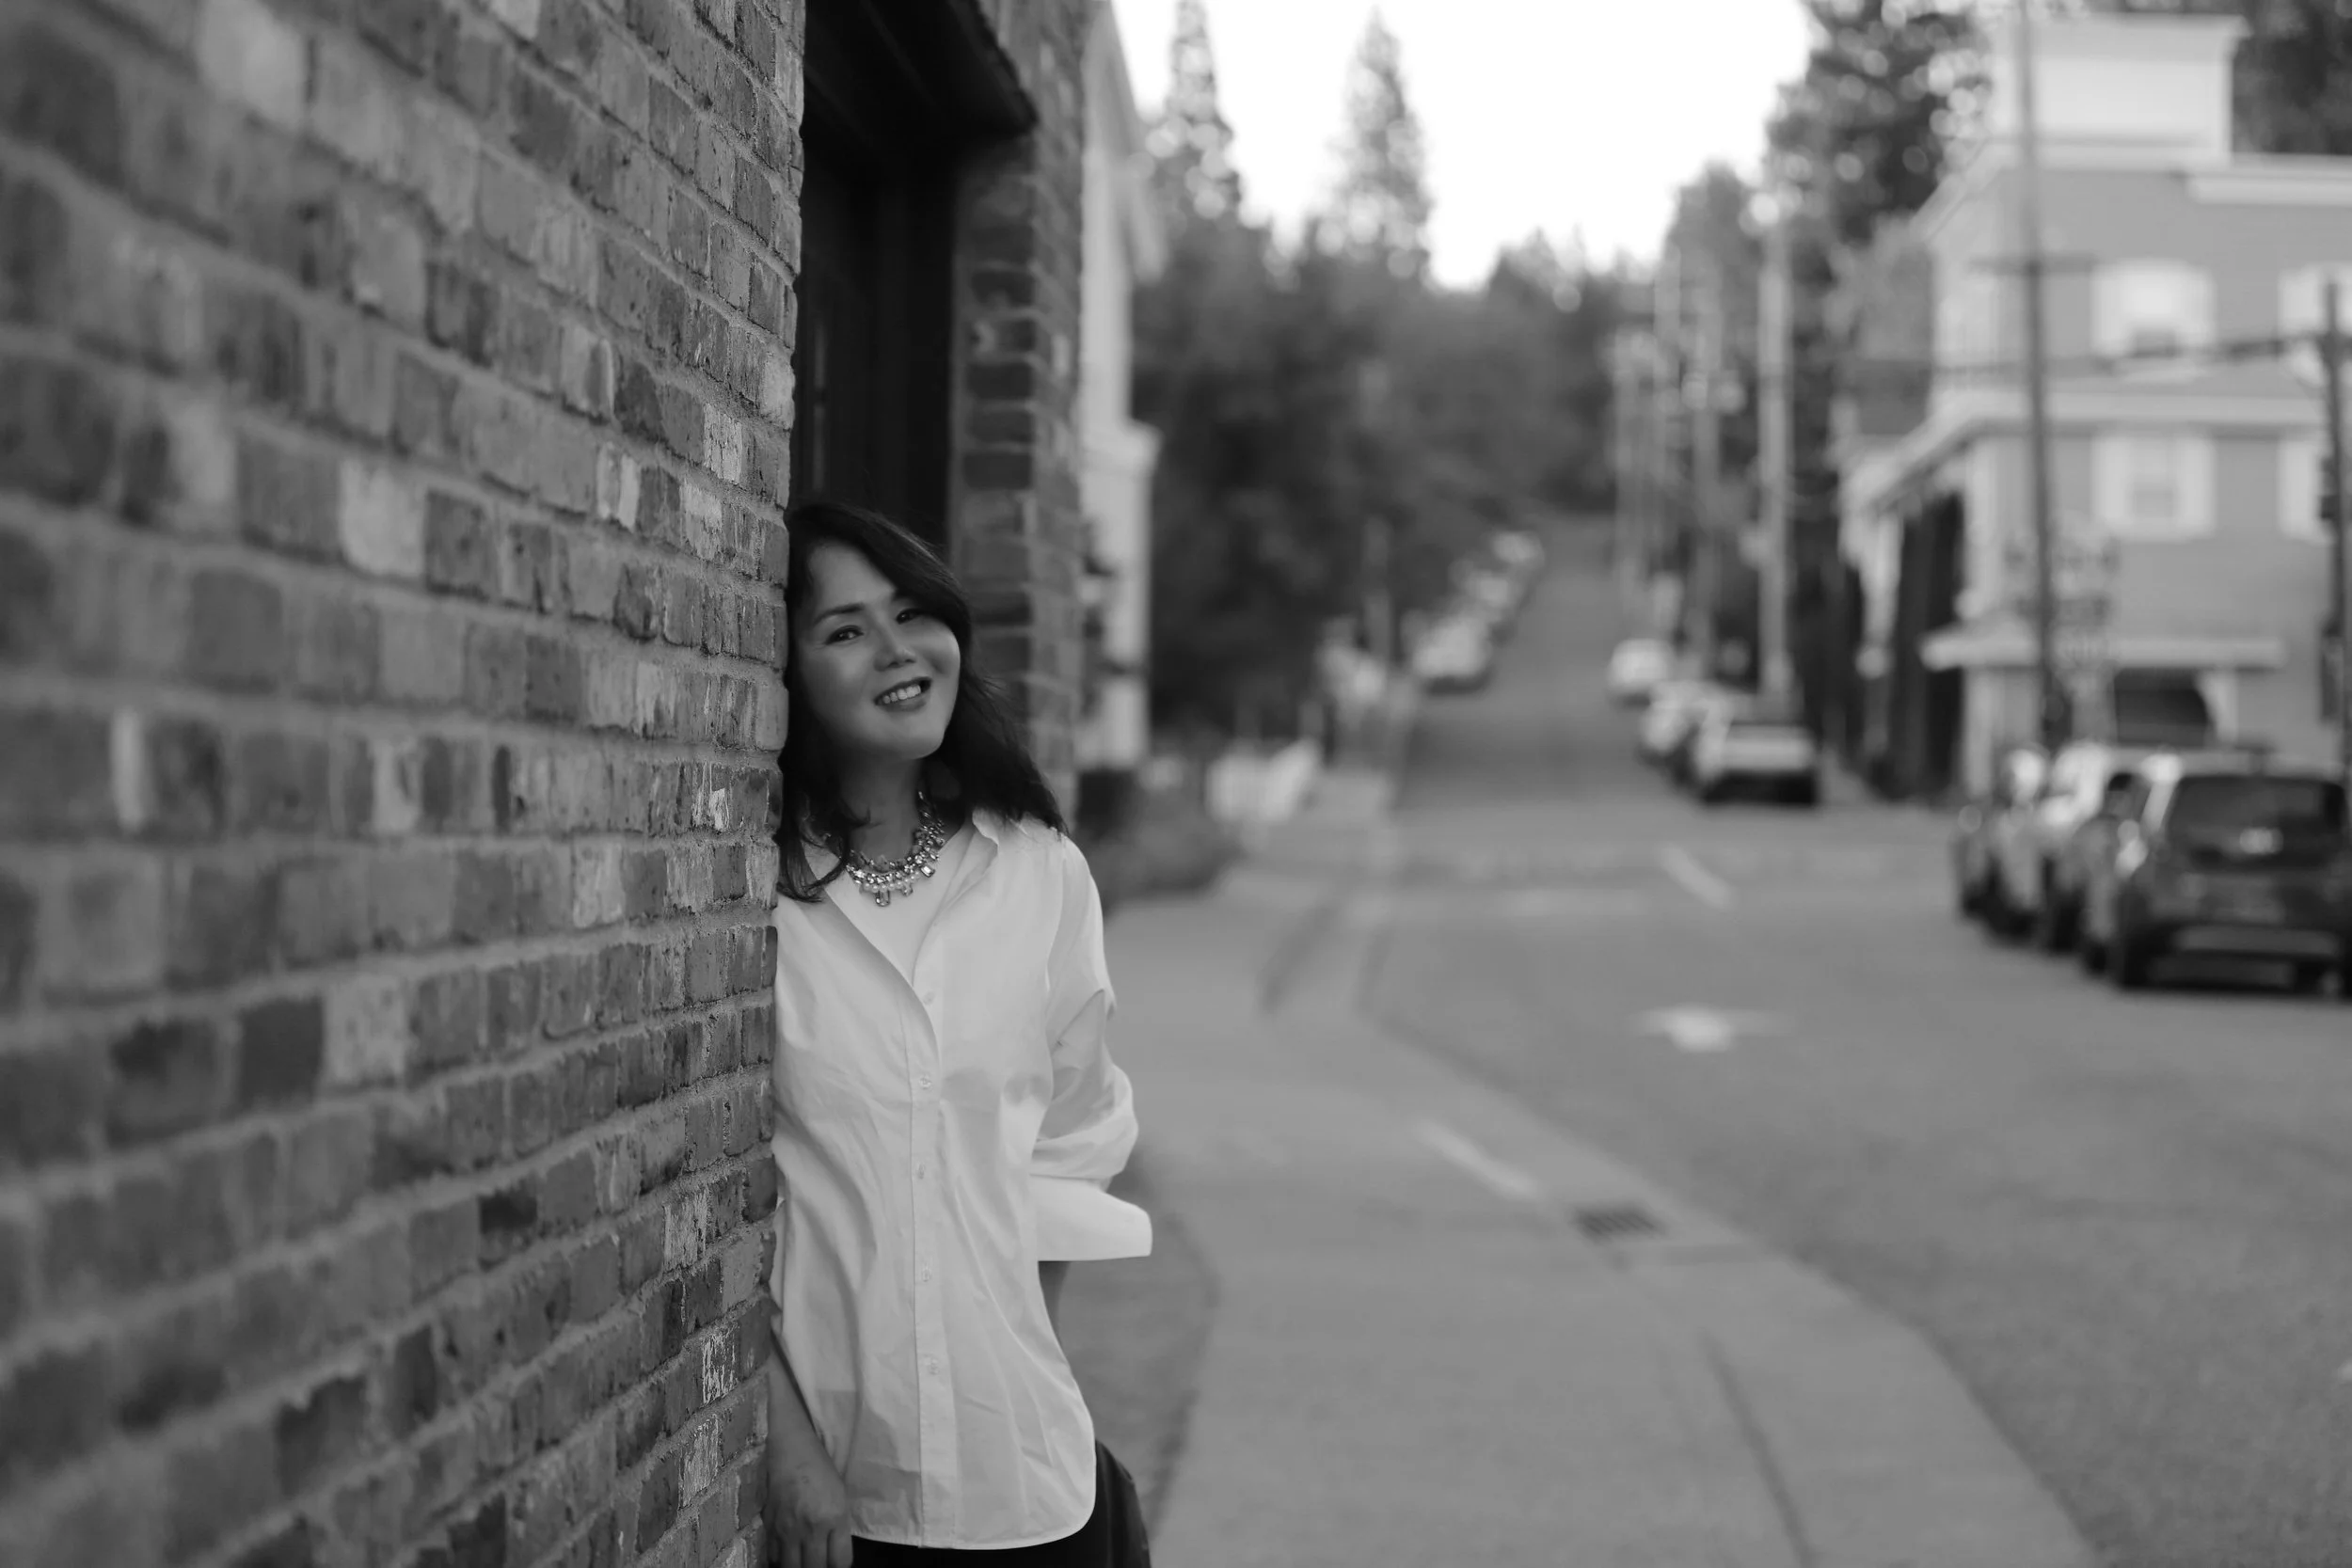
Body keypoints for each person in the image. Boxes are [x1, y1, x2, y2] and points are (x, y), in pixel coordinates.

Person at [763, 500, 1154, 1568]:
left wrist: (1022, 1353)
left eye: (909, 611)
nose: (897, 651)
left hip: (1030, 1485)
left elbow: (1071, 1146)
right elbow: (708, 1197)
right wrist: (783, 1438)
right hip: (838, 1500)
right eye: (843, 630)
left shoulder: (1037, 870)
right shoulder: (753, 899)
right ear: (786, 670)